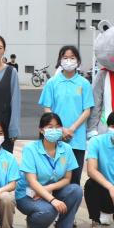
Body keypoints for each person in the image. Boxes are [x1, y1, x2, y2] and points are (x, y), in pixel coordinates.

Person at [16, 113, 83, 228]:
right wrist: (53, 200)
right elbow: (32, 182)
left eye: (58, 127)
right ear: (41, 130)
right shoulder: (30, 149)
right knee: (49, 210)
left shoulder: (67, 149)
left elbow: (67, 179)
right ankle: (33, 225)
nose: (54, 130)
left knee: (76, 190)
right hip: (29, 194)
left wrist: (47, 189)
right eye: (50, 127)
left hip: (49, 190)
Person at [39, 45, 94, 185]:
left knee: (74, 180)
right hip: (55, 136)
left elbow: (87, 110)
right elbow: (47, 108)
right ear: (60, 60)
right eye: (65, 57)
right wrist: (61, 129)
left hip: (77, 138)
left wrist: (72, 129)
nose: (68, 61)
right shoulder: (52, 83)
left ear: (78, 60)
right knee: (53, 177)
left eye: (72, 58)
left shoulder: (84, 83)